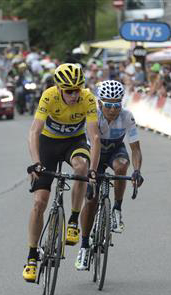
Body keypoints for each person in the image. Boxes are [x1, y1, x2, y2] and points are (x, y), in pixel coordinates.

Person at [23, 63, 101, 282]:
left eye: (78, 89)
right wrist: (36, 162)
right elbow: (34, 131)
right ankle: (31, 256)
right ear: (58, 88)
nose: (74, 95)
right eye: (69, 91)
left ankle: (74, 220)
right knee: (39, 203)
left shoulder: (87, 98)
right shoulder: (48, 96)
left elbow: (94, 138)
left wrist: (93, 171)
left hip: (73, 143)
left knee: (81, 168)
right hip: (48, 144)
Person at [76, 80, 144, 270]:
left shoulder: (127, 116)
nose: (113, 109)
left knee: (122, 167)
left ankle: (117, 209)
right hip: (95, 154)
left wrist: (137, 171)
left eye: (117, 104)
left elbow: (136, 150)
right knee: (91, 201)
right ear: (99, 103)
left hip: (115, 150)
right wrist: (89, 174)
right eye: (109, 105)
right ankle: (84, 246)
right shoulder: (92, 116)